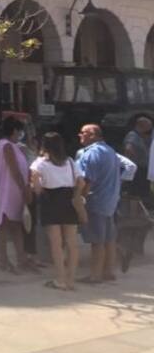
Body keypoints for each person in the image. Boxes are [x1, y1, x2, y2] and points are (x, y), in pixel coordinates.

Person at [30, 132, 80, 291]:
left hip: (50, 200)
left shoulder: (40, 163)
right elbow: (81, 181)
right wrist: (77, 196)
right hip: (68, 199)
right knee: (72, 243)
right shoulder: (70, 161)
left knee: (56, 243)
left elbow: (36, 187)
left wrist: (37, 188)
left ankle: (60, 279)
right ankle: (71, 280)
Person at [75, 124, 122, 284]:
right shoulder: (110, 151)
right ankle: (108, 271)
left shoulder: (92, 153)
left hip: (95, 202)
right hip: (109, 202)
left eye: (82, 132)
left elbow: (87, 181)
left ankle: (95, 275)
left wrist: (80, 200)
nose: (79, 135)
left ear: (92, 135)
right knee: (109, 239)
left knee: (97, 241)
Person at [0, 117, 36, 274]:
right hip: (10, 190)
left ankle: (21, 258)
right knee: (4, 224)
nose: (20, 134)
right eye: (19, 131)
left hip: (16, 191)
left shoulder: (15, 146)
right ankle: (3, 260)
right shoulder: (6, 146)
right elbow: (14, 170)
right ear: (14, 131)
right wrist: (24, 188)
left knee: (17, 225)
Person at [121, 114, 153, 205]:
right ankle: (134, 211)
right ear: (142, 126)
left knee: (142, 192)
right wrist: (133, 160)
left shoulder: (141, 136)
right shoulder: (133, 135)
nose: (150, 129)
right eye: (149, 127)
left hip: (142, 169)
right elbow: (128, 149)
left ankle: (140, 209)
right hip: (137, 169)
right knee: (135, 193)